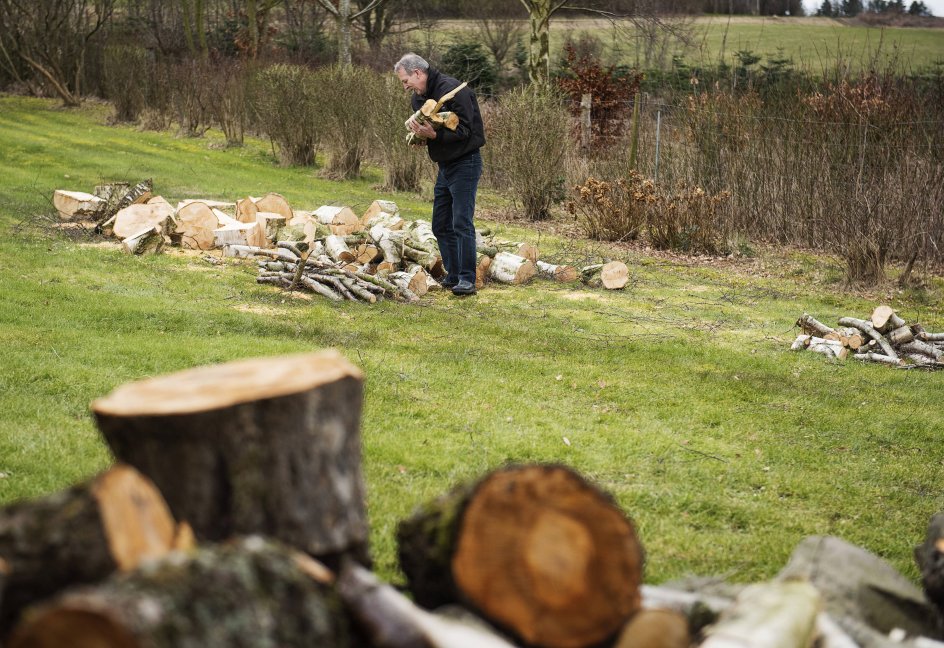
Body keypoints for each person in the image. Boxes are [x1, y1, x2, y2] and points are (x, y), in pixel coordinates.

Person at [394, 53, 485, 296]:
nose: (405, 87)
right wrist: (420, 137)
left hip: (466, 162)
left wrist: (434, 136)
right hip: (445, 166)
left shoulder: (454, 91)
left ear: (418, 73)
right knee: (440, 224)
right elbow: (433, 129)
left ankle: (467, 280)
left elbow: (468, 131)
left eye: (405, 81)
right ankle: (453, 275)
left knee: (461, 223)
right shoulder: (419, 99)